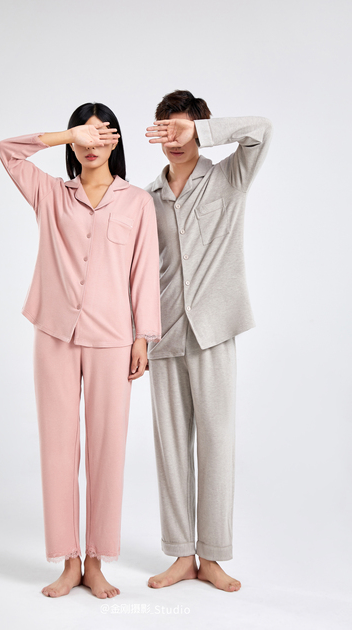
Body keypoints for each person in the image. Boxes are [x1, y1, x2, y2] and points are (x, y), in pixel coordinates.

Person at [0, 103, 161, 599]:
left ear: (115, 141)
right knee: (58, 446)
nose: (92, 144)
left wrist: (143, 336)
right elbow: (8, 152)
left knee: (108, 448)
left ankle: (96, 561)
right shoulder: (51, 193)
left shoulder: (137, 202)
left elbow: (144, 271)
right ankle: (68, 560)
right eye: (84, 136)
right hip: (55, 333)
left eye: (101, 135)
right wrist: (65, 135)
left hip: (113, 338)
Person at [144, 90, 273, 592]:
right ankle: (181, 554)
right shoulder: (147, 198)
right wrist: (139, 334)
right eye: (166, 130)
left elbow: (261, 129)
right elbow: (140, 273)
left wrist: (198, 130)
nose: (174, 139)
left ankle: (213, 556)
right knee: (171, 448)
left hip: (215, 331)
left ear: (199, 130)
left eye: (182, 130)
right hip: (164, 334)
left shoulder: (229, 177)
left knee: (217, 443)